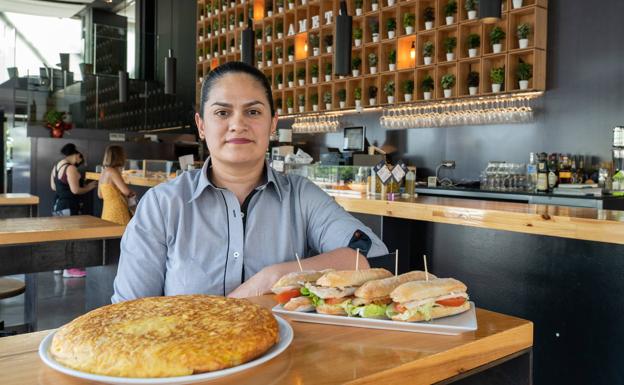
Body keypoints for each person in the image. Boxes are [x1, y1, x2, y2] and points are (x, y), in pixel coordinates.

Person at [111, 62, 388, 303]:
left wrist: (274, 276)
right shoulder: (163, 204)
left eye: (253, 112)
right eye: (222, 113)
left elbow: (373, 257)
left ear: (272, 123)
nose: (238, 124)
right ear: (201, 125)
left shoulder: (301, 197)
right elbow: (128, 312)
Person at [50, 143, 98, 278]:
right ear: (76, 155)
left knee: (61, 236)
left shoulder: (56, 166)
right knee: (71, 236)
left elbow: (53, 186)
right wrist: (90, 187)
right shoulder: (70, 168)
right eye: (79, 159)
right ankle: (70, 269)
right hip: (69, 205)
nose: (79, 163)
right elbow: (75, 190)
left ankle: (58, 267)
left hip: (58, 204)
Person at [98, 145, 135, 226]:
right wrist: (132, 193)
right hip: (118, 211)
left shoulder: (103, 171)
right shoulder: (113, 172)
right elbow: (126, 192)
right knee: (120, 235)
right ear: (119, 156)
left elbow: (100, 195)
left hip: (107, 212)